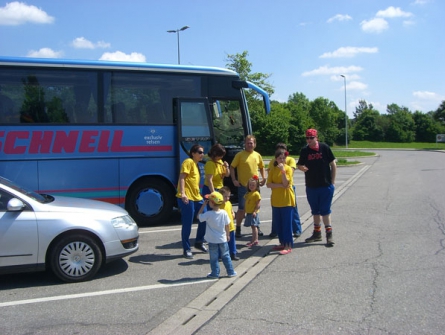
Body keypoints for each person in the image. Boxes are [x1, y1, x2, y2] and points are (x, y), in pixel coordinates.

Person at [297, 129, 337, 246]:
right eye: (307, 138)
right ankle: (317, 233)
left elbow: (333, 164)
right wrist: (301, 168)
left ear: (316, 137)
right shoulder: (305, 151)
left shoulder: (324, 148)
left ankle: (329, 234)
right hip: (311, 186)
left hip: (325, 185)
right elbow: (299, 164)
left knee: (325, 211)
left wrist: (333, 182)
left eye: (311, 138)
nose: (309, 140)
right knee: (315, 211)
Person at [230, 135, 266, 237]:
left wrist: (263, 178)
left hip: (255, 187)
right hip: (243, 186)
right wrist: (234, 180)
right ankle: (238, 228)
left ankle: (256, 227)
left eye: (252, 143)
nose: (250, 144)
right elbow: (232, 167)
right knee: (242, 208)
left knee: (255, 207)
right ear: (245, 144)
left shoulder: (257, 155)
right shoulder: (240, 155)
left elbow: (262, 167)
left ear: (254, 144)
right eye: (248, 143)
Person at [176, 144, 208, 259]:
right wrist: (183, 193)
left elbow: (193, 182)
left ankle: (199, 242)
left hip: (196, 197)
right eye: (199, 152)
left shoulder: (196, 164)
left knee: (205, 216)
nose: (202, 154)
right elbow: (182, 178)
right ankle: (186, 248)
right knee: (187, 223)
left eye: (202, 152)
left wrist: (200, 194)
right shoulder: (188, 162)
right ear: (193, 153)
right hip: (186, 197)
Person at [198, 191, 237, 279]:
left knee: (214, 258)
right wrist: (228, 235)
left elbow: (199, 216)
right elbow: (227, 225)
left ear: (211, 202)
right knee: (226, 255)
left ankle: (215, 273)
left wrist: (203, 205)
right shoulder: (223, 213)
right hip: (222, 238)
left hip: (212, 240)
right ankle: (231, 271)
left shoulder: (208, 214)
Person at [267, 143, 302, 239]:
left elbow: (290, 173)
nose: (281, 156)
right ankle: (275, 231)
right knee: (276, 212)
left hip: (289, 188)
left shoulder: (290, 160)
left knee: (292, 211)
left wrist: (282, 179)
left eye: (283, 150)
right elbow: (269, 175)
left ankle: (297, 229)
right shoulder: (273, 161)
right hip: (277, 190)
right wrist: (278, 185)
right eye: (279, 150)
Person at [267, 149, 295, 254]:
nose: (282, 160)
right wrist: (279, 186)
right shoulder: (273, 169)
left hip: (286, 200)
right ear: (276, 159)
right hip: (276, 200)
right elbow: (268, 184)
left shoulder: (288, 169)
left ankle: (288, 246)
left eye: (284, 158)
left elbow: (286, 184)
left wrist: (283, 171)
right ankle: (282, 243)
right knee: (279, 224)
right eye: (280, 158)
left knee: (287, 224)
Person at [219, 186, 239, 261]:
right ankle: (221, 255)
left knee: (232, 242)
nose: (227, 198)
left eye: (228, 196)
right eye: (225, 197)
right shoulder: (219, 205)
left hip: (230, 226)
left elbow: (231, 210)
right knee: (222, 242)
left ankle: (233, 253)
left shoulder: (229, 203)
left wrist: (233, 213)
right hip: (222, 228)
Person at [243, 176, 262, 247]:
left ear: (256, 186)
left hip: (253, 213)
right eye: (250, 185)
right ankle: (253, 240)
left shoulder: (256, 193)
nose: (251, 186)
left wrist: (255, 211)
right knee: (252, 227)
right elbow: (246, 202)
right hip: (249, 212)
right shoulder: (248, 193)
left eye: (253, 185)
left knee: (254, 227)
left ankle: (255, 240)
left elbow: (258, 204)